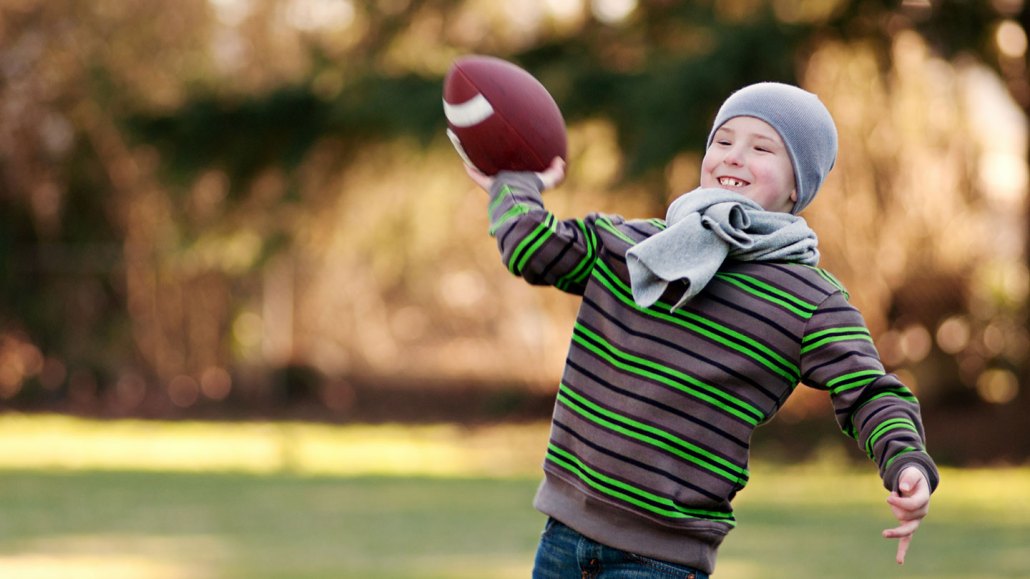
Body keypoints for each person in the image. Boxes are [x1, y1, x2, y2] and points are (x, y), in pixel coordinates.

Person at [463, 82, 938, 578]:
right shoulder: (637, 246)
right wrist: (513, 181)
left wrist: (907, 463)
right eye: (723, 141)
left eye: (761, 147)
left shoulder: (810, 300)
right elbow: (532, 248)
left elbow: (870, 392)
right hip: (562, 538)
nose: (734, 157)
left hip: (660, 562)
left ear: (799, 183)